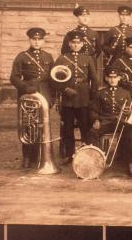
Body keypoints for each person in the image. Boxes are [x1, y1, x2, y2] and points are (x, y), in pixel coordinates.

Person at [51, 30, 99, 165]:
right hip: (67, 100)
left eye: (78, 43)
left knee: (85, 127)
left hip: (84, 98)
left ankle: (85, 153)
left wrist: (93, 98)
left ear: (82, 44)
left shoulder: (88, 58)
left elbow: (94, 80)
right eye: (73, 42)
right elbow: (53, 78)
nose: (76, 45)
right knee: (67, 128)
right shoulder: (62, 58)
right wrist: (65, 89)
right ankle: (70, 154)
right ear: (69, 43)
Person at [10, 27, 55, 168]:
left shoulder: (48, 57)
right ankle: (28, 157)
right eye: (34, 39)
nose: (36, 42)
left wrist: (52, 97)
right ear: (29, 40)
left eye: (39, 39)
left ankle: (43, 156)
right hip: (29, 95)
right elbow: (14, 77)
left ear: (43, 41)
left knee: (44, 125)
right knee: (29, 125)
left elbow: (53, 79)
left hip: (45, 93)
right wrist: (25, 88)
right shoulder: (22, 56)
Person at [87, 67, 132, 177]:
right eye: (110, 77)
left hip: (121, 121)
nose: (112, 80)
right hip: (106, 121)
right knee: (92, 132)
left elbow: (131, 110)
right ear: (106, 78)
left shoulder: (125, 93)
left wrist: (129, 112)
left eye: (115, 77)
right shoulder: (100, 93)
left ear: (119, 78)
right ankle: (96, 162)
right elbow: (93, 110)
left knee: (131, 134)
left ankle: (129, 164)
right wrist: (96, 119)